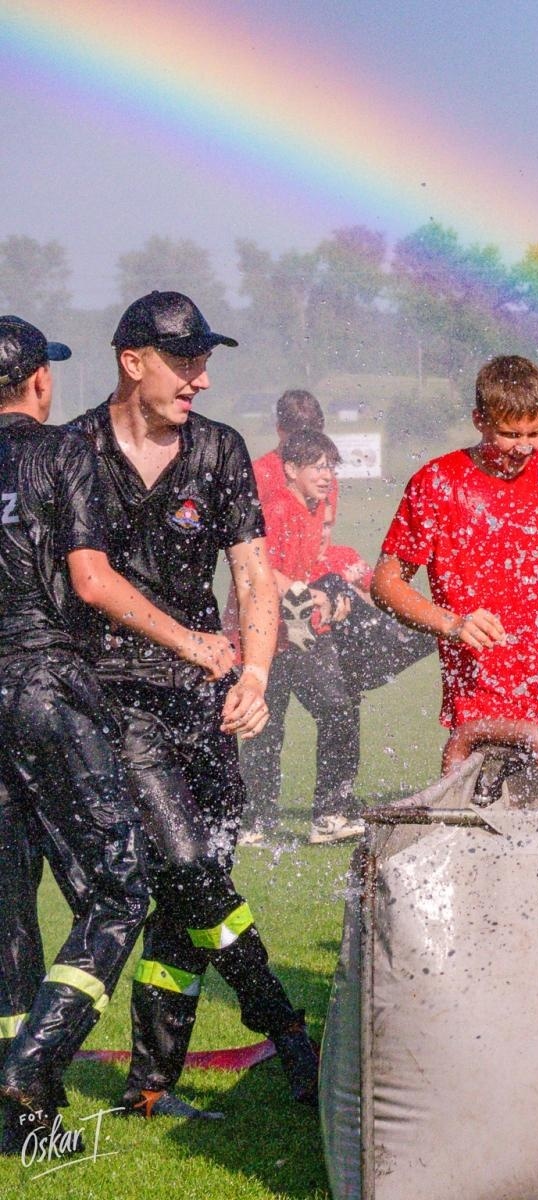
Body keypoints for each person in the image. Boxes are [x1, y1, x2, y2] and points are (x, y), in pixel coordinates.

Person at [65, 291, 319, 1119]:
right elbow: (82, 580)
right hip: (115, 699)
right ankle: (283, 1026)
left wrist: (254, 676)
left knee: (194, 894)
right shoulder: (74, 452)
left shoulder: (219, 451)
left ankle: (151, 1083)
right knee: (184, 867)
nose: (201, 380)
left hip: (207, 701)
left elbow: (252, 574)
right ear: (131, 361)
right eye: (185, 362)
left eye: (206, 363)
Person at [0, 317, 233, 1152]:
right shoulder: (65, 453)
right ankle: (31, 1065)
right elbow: (92, 581)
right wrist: (196, 643)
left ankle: (28, 1126)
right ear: (40, 383)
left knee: (9, 895)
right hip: (43, 685)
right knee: (119, 891)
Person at [372, 354, 538, 768]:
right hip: (488, 709)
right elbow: (386, 583)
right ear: (479, 419)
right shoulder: (437, 483)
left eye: (536, 432)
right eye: (509, 433)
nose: (525, 447)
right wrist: (452, 624)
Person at [239, 428, 365, 845]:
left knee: (335, 710)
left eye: (331, 466)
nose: (327, 475)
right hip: (267, 636)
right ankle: (258, 820)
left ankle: (324, 814)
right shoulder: (277, 509)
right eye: (317, 466)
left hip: (294, 634)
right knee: (267, 728)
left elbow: (303, 574)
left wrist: (329, 597)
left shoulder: (312, 508)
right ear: (290, 469)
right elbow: (259, 574)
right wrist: (307, 595)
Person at [254, 388, 339, 522]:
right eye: (299, 440)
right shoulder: (258, 475)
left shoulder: (324, 478)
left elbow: (321, 536)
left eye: (314, 439)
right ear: (279, 430)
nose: (307, 447)